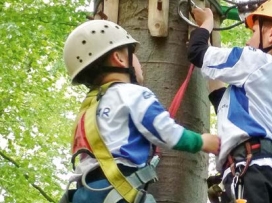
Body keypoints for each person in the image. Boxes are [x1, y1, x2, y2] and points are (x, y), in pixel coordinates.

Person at [61, 19, 220, 203]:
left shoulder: (87, 110)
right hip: (117, 192)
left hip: (83, 194)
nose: (138, 60)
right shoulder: (132, 93)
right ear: (119, 58)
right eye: (133, 53)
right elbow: (166, 132)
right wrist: (201, 141)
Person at [187, 0, 272, 202]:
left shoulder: (256, 61)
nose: (248, 42)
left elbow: (196, 52)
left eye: (253, 32)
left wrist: (206, 23)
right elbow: (221, 100)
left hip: (250, 171)